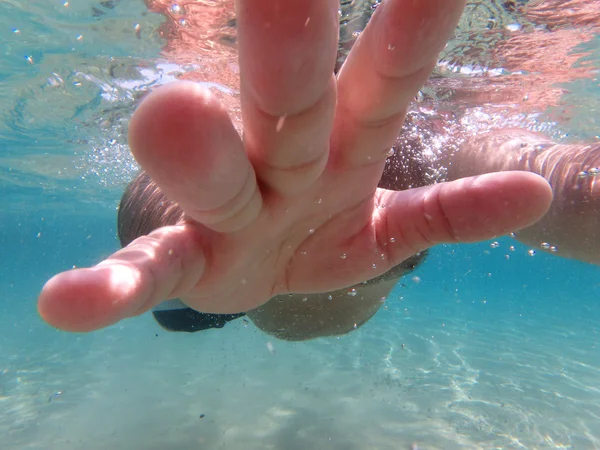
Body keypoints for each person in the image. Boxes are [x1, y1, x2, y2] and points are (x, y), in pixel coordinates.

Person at [37, 0, 598, 341]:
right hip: (270, 278)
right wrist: (200, 221)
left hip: (284, 273)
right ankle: (194, 303)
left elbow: (567, 181)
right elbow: (168, 181)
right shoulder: (256, 132)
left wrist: (210, 226)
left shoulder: (427, 136)